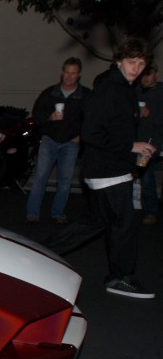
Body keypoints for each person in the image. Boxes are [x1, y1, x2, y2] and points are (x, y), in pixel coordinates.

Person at [46, 39, 157, 299]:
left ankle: (38, 250)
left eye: (141, 63)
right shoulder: (111, 90)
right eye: (131, 62)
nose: (136, 68)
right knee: (124, 224)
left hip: (111, 168)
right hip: (107, 171)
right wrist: (131, 146)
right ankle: (119, 277)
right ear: (119, 61)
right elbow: (91, 132)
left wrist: (137, 147)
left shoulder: (124, 88)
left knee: (96, 222)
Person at [25, 57, 92, 224]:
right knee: (40, 178)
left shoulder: (85, 95)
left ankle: (58, 213)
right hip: (49, 140)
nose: (69, 76)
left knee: (65, 181)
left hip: (70, 143)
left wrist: (80, 137)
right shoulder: (50, 93)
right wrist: (50, 117)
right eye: (67, 72)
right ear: (62, 73)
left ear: (79, 75)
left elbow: (91, 119)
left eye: (73, 73)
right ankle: (32, 213)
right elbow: (37, 114)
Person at [136, 64, 162, 224]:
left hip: (151, 143)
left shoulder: (161, 93)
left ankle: (151, 212)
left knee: (146, 176)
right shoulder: (136, 91)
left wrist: (149, 114)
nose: (145, 78)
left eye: (149, 74)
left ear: (156, 75)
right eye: (143, 75)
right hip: (134, 141)